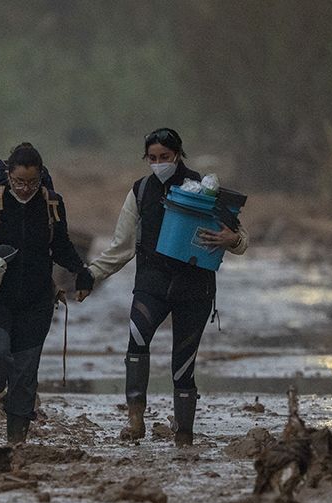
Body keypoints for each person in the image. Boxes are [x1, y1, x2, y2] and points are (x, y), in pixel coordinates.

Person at [86, 128, 249, 447]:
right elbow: (120, 248)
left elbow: (239, 237)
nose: (159, 163)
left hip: (195, 288)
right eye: (152, 158)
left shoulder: (205, 190)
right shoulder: (141, 191)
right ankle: (135, 420)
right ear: (146, 158)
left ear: (178, 155)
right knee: (136, 343)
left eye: (165, 157)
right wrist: (89, 276)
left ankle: (184, 433)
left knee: (184, 363)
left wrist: (234, 240)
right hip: (151, 284)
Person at [0, 143, 94, 445]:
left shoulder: (51, 203)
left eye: (32, 182)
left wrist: (82, 272)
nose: (25, 189)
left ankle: (16, 441)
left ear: (41, 178)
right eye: (19, 182)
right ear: (8, 175)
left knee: (25, 373)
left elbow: (61, 245)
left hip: (37, 301)